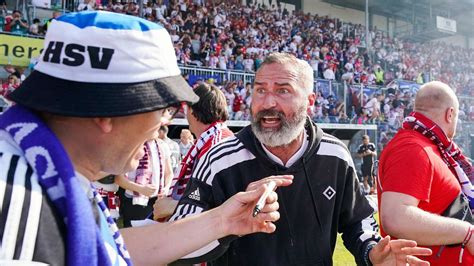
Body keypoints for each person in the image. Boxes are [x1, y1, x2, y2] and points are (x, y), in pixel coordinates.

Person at [0, 11, 285, 265]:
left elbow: (112, 247)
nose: (166, 121)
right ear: (107, 112)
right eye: (163, 108)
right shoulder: (19, 206)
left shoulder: (39, 175)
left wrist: (224, 219)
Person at [169, 52, 431, 265]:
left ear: (310, 101)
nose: (268, 102)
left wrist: (372, 251)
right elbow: (178, 244)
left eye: (283, 91)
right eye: (260, 90)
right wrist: (226, 225)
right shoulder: (219, 160)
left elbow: (357, 220)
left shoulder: (335, 155)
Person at [377, 81, 474, 265]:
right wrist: (467, 233)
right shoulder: (413, 148)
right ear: (450, 114)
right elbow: (395, 217)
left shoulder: (429, 147)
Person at [153, 83, 233, 220]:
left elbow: (220, 202)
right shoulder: (211, 140)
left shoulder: (216, 144)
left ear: (192, 111)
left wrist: (173, 206)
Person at [116, 137, 174, 227]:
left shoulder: (162, 145)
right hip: (135, 202)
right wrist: (141, 189)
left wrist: (166, 188)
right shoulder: (131, 145)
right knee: (135, 237)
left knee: (155, 236)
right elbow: (119, 179)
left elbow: (169, 173)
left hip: (158, 200)